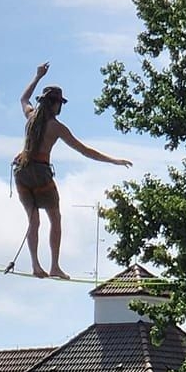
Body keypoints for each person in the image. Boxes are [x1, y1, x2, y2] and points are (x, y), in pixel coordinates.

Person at [14, 63, 132, 278]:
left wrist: (37, 76)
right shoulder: (56, 127)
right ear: (55, 104)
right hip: (40, 173)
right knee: (55, 218)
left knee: (33, 220)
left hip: (21, 171)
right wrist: (113, 161)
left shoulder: (30, 117)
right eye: (60, 104)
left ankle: (35, 266)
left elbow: (23, 99)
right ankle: (55, 266)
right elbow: (85, 151)